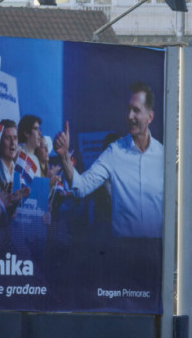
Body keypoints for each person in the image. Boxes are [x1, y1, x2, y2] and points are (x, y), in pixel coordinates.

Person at [54, 82, 164, 238]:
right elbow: (81, 187)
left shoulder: (164, 156)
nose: (129, 116)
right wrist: (64, 156)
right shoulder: (114, 152)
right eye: (128, 109)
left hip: (156, 254)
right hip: (123, 251)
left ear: (150, 117)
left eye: (136, 110)